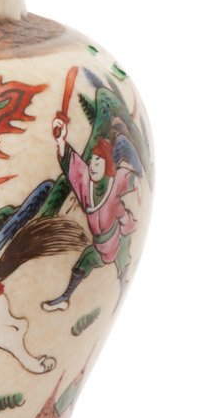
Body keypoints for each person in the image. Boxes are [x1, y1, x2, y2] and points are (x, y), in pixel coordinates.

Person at [40, 114, 139, 313]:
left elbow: (130, 181)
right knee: (82, 265)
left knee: (123, 265)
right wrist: (61, 140)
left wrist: (136, 190)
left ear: (107, 166)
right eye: (92, 162)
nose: (92, 167)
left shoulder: (114, 183)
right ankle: (64, 299)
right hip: (99, 245)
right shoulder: (86, 183)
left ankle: (121, 282)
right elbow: (73, 166)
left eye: (98, 163)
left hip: (116, 239)